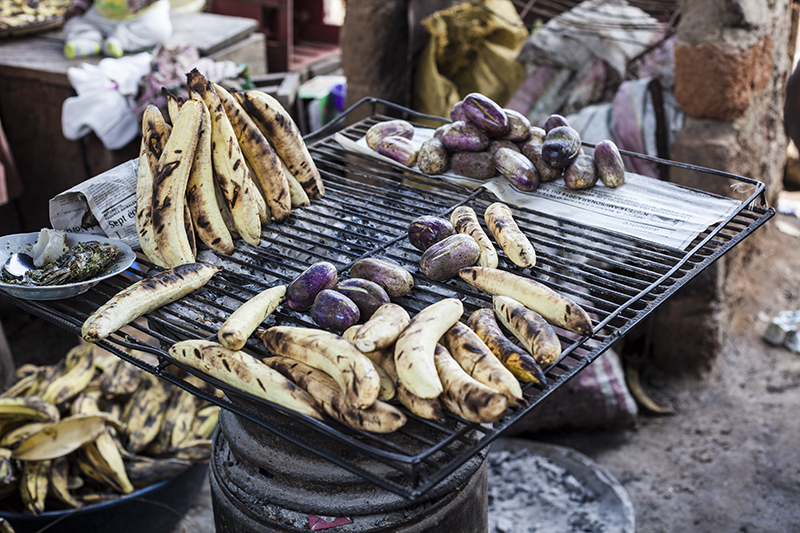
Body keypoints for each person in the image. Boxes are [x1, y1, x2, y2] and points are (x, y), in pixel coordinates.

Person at [61, 0, 173, 60]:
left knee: (160, 29)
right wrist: (79, 7)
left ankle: (120, 40)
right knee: (73, 21)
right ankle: (88, 38)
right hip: (101, 17)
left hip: (139, 17)